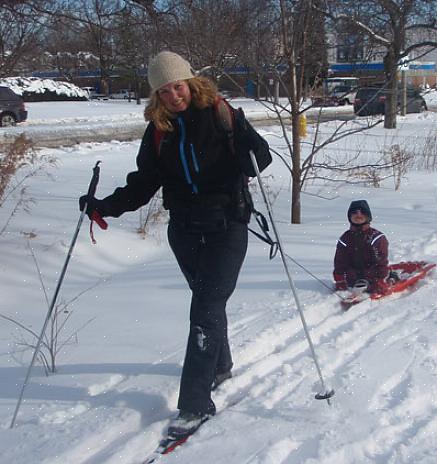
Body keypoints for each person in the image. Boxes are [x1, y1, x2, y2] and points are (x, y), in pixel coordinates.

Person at [79, 51, 272, 438]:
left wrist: (245, 140)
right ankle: (219, 365)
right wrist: (106, 207)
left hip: (227, 226)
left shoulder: (221, 115)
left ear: (191, 82)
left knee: (204, 307)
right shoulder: (159, 130)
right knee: (208, 304)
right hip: (184, 229)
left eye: (178, 86)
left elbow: (260, 159)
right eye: (164, 90)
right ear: (156, 95)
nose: (173, 95)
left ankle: (195, 404)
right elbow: (144, 182)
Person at [333, 200, 390, 294]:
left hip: (373, 277)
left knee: (381, 279)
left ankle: (391, 277)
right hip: (352, 279)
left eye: (362, 212)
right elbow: (340, 262)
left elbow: (381, 261)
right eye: (354, 212)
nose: (358, 215)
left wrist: (380, 279)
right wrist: (339, 280)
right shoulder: (345, 239)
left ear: (368, 216)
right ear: (349, 217)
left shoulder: (376, 238)